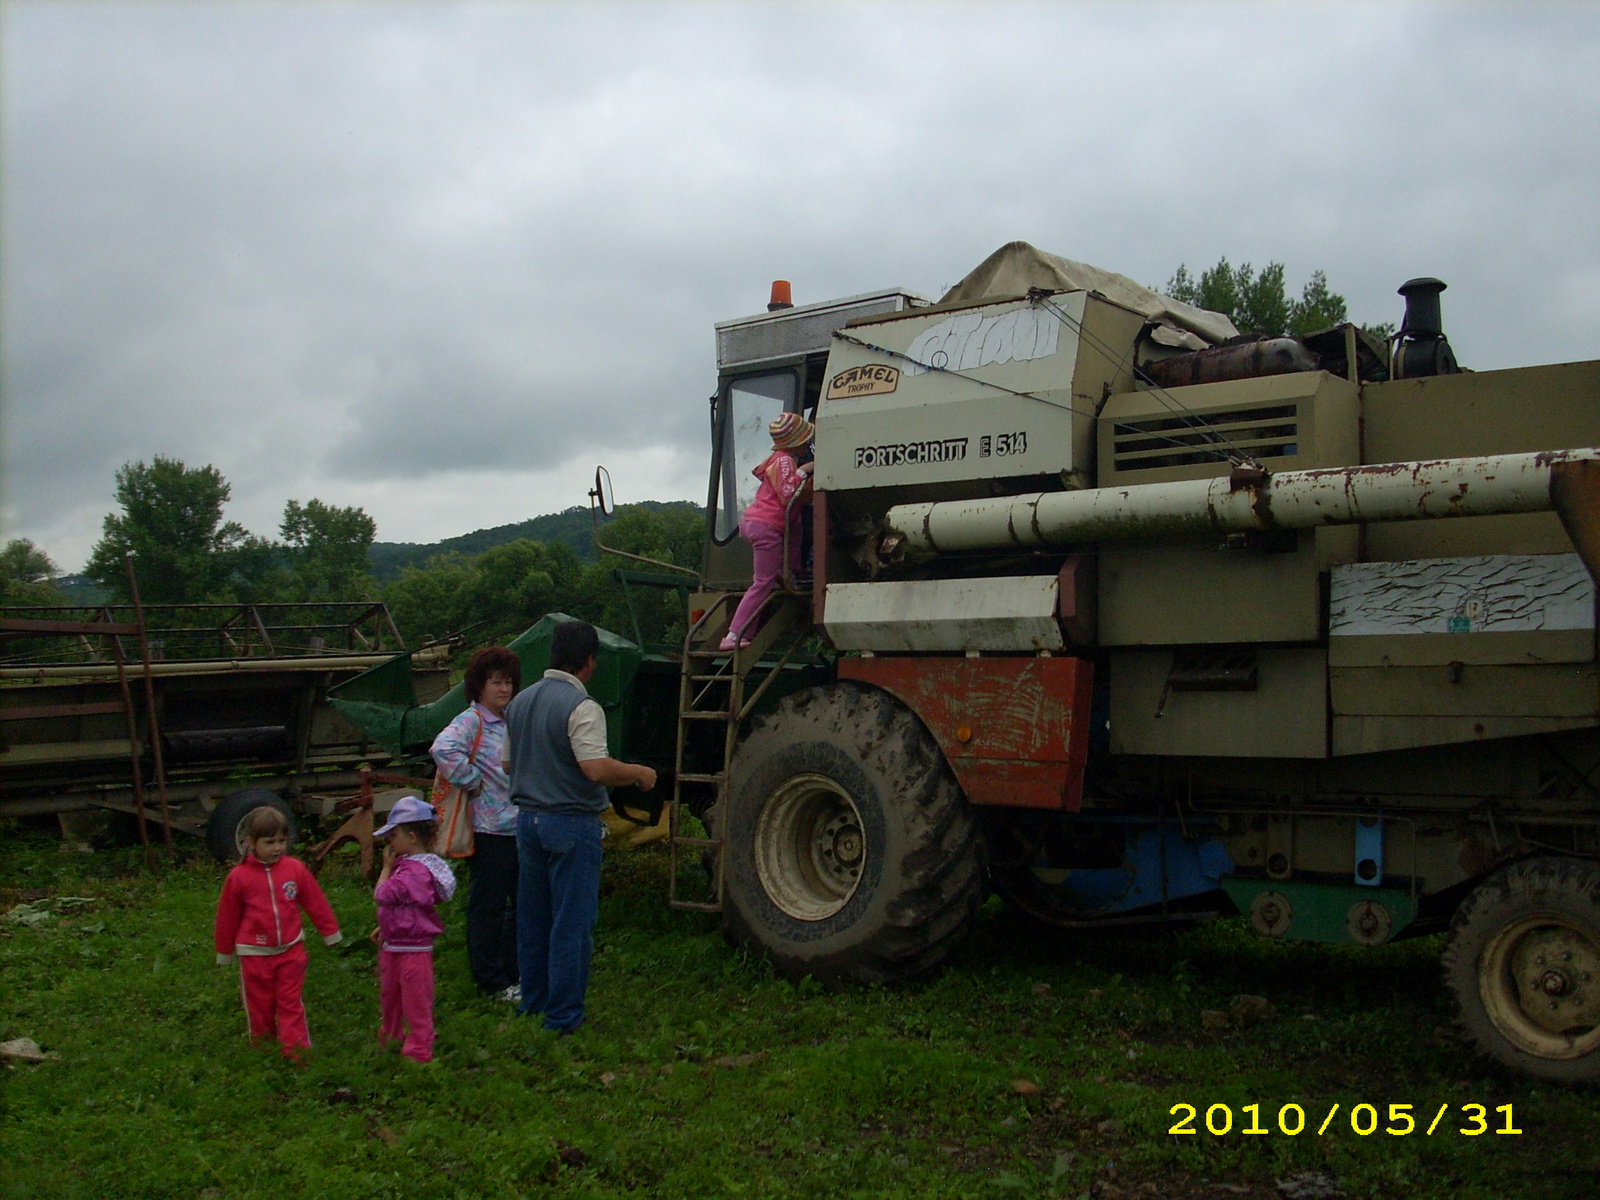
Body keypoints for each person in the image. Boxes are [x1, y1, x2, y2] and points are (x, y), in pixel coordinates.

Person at [504, 619, 656, 1034]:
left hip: (527, 822)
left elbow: (505, 763)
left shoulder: (520, 702)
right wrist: (639, 772)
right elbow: (595, 768)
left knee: (532, 920)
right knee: (571, 925)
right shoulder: (581, 706)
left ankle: (532, 1004)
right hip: (570, 821)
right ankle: (563, 1018)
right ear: (589, 661)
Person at [213, 805, 342, 1061]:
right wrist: (224, 951)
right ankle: (264, 1051)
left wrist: (330, 932)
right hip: (255, 955)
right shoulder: (238, 877)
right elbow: (227, 917)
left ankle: (296, 1052)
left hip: (291, 951)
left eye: (282, 841)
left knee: (290, 1002)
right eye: (269, 842)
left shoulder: (294, 869)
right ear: (250, 843)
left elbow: (315, 902)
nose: (277, 848)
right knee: (259, 1006)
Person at [430, 646, 521, 1002]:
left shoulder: (511, 718)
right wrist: (471, 779)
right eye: (496, 682)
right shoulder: (473, 721)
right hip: (488, 828)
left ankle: (513, 971)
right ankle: (490, 980)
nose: (503, 689)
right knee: (489, 906)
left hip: (517, 825)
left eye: (508, 682)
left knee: (520, 904)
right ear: (479, 686)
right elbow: (443, 748)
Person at [373, 796, 457, 1064]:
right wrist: (385, 926)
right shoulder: (411, 867)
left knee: (415, 1000)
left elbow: (384, 894)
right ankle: (391, 1036)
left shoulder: (415, 872)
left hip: (413, 950)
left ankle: (419, 1048)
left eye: (393, 835)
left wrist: (385, 869)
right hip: (396, 943)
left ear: (411, 837)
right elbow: (406, 907)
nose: (390, 843)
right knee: (391, 995)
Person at [720, 411, 815, 651]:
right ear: (798, 441)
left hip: (761, 524)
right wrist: (804, 470)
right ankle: (734, 635)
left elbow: (794, 523)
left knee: (795, 527)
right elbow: (786, 495)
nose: (809, 443)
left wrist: (794, 570)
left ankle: (791, 573)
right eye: (806, 439)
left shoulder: (781, 461)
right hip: (765, 527)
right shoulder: (784, 460)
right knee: (762, 582)